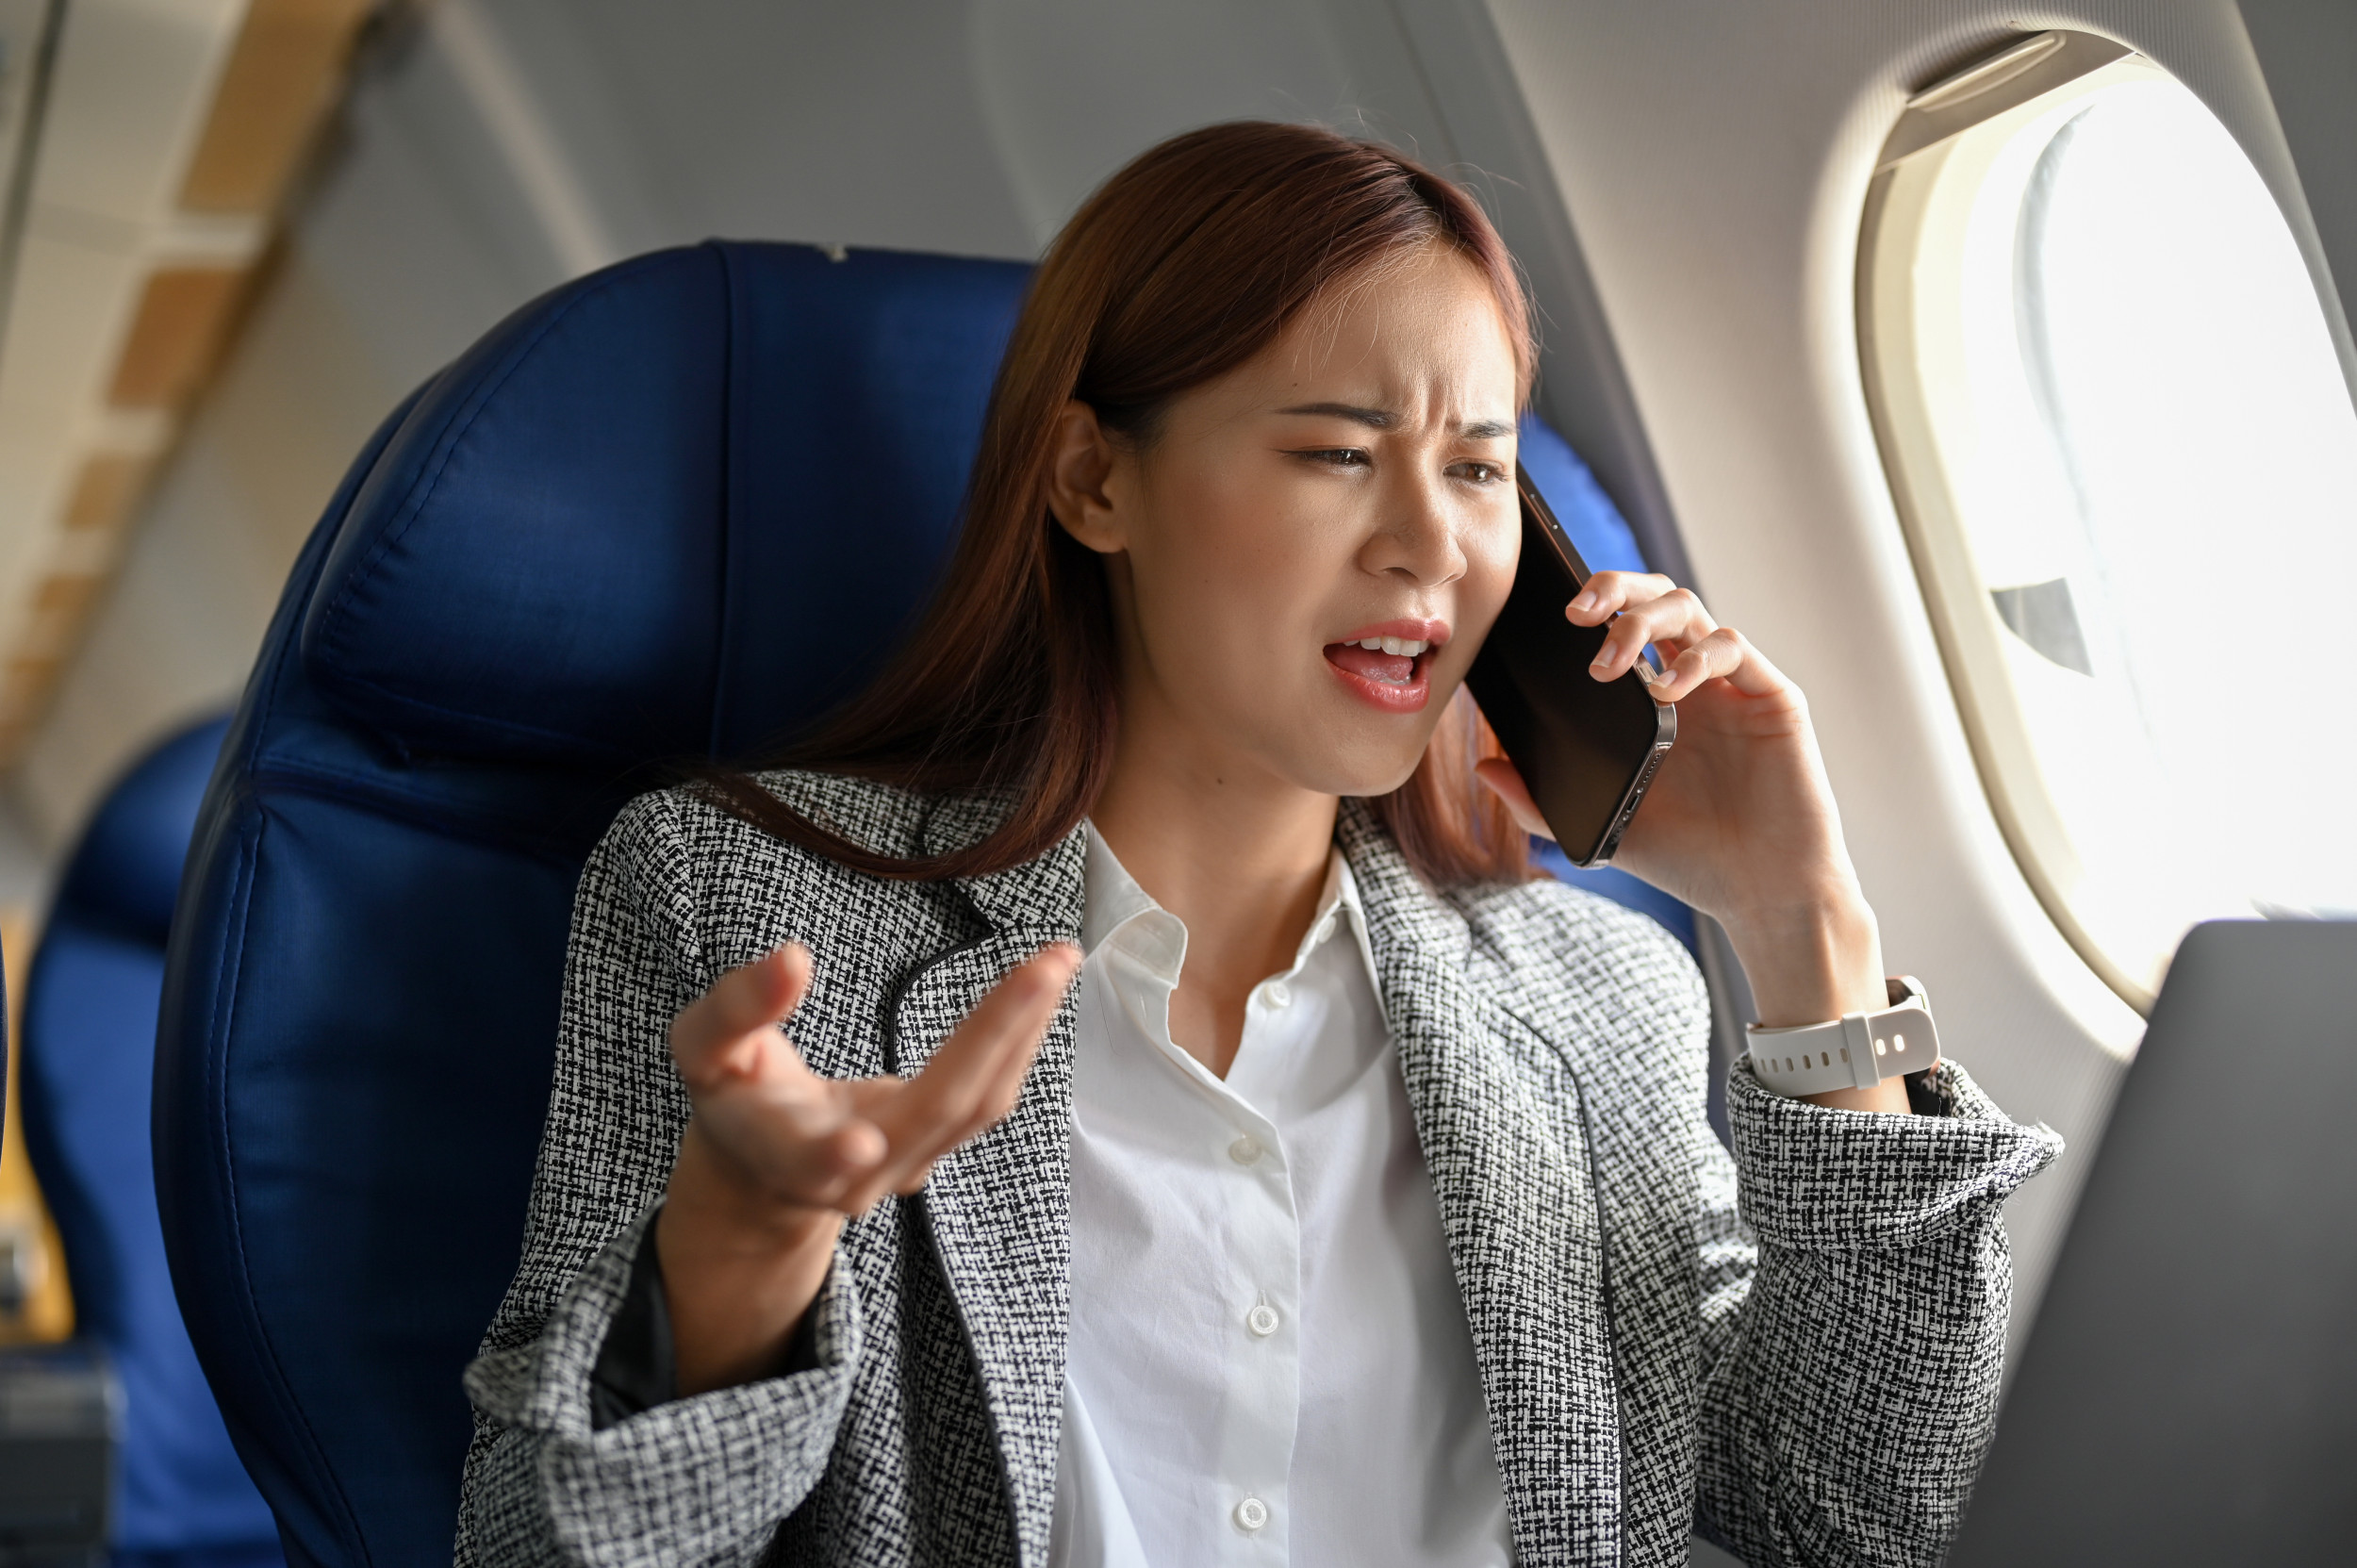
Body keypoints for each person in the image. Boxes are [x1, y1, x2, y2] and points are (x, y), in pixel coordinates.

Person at [454, 122, 2059, 1568]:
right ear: (1095, 480)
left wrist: (1799, 924)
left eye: (1481, 469)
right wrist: (738, 1266)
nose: (1431, 544)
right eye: (1338, 452)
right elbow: (539, 1553)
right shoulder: (743, 913)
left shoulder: (1596, 995)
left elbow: (1859, 1521)